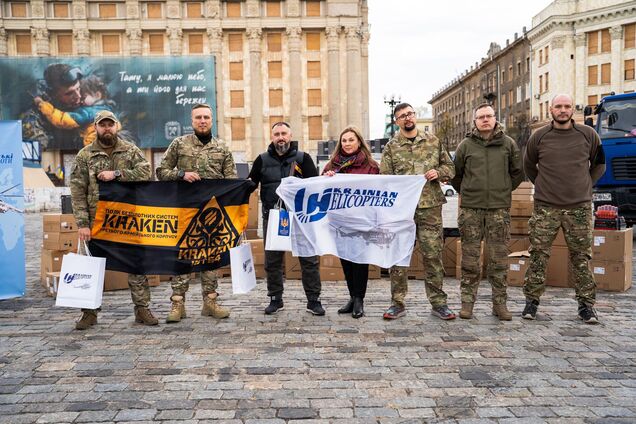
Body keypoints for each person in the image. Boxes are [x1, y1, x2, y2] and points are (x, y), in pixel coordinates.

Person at [70, 110, 157, 330]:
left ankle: (142, 309)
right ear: (95, 127)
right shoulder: (85, 156)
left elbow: (146, 172)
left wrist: (117, 174)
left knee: (136, 264)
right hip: (96, 222)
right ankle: (89, 312)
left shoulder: (130, 150)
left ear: (116, 126)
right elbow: (78, 191)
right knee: (90, 267)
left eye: (110, 124)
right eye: (102, 125)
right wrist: (83, 224)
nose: (107, 128)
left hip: (126, 220)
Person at [522, 94, 605, 324]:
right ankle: (531, 302)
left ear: (572, 110)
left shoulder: (589, 135)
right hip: (546, 207)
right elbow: (528, 165)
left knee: (581, 257)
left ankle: (586, 306)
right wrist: (543, 185)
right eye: (558, 106)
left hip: (579, 207)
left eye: (567, 106)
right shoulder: (539, 136)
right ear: (551, 110)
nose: (563, 110)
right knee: (538, 255)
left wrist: (586, 185)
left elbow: (600, 164)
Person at [156, 103, 236, 323]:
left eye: (206, 117)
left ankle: (210, 302)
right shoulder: (179, 144)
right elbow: (161, 171)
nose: (202, 121)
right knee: (182, 256)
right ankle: (177, 304)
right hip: (184, 210)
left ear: (212, 120)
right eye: (198, 117)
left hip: (212, 214)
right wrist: (181, 174)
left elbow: (231, 181)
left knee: (211, 257)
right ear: (191, 121)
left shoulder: (222, 148)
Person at [380, 103, 456, 320]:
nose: (407, 118)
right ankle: (397, 303)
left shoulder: (433, 141)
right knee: (399, 256)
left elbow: (450, 168)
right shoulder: (391, 147)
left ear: (415, 116)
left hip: (429, 208)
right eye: (402, 116)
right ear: (397, 121)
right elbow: (385, 178)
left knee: (433, 255)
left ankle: (439, 303)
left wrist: (438, 172)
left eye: (410, 114)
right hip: (402, 211)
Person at [451, 103, 523, 321]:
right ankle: (467, 304)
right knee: (470, 260)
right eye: (480, 117)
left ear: (495, 118)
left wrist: (502, 190)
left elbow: (517, 173)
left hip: (498, 210)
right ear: (474, 121)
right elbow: (456, 175)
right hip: (471, 210)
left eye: (488, 116)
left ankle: (499, 304)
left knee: (499, 259)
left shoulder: (508, 144)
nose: (485, 120)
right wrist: (469, 191)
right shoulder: (465, 146)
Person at [248, 121, 324, 316]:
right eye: (277, 134)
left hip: (300, 217)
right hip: (273, 217)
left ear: (290, 136)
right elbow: (250, 185)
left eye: (284, 133)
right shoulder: (261, 160)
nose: (280, 137)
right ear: (272, 137)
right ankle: (275, 299)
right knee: (272, 261)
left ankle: (313, 300)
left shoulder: (303, 158)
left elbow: (315, 185)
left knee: (309, 259)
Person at [322, 125, 379, 318]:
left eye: (351, 140)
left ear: (359, 142)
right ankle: (352, 297)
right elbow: (321, 189)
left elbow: (379, 191)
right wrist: (327, 178)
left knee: (360, 260)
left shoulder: (371, 166)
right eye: (344, 140)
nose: (347, 143)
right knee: (346, 259)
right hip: (340, 221)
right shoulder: (332, 165)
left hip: (362, 220)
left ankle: (359, 299)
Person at [34, 75, 115, 147]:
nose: (79, 97)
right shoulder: (105, 108)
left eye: (84, 97)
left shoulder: (88, 112)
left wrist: (42, 105)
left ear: (97, 95)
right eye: (69, 93)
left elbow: (62, 120)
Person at [22, 63, 84, 149]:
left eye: (78, 88)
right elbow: (39, 153)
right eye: (69, 93)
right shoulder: (35, 118)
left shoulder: (87, 103)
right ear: (53, 95)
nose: (78, 96)